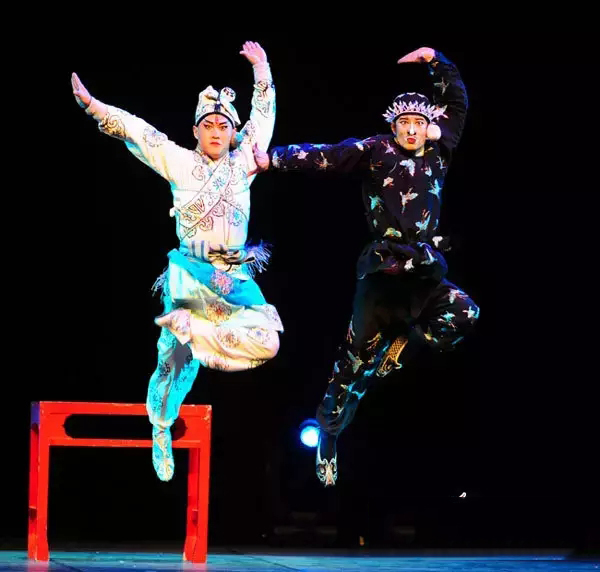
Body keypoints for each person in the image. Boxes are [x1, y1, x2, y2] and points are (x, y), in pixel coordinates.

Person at [253, 47, 479, 486]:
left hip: (422, 273)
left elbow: (457, 104)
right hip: (383, 275)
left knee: (466, 312)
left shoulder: (440, 152)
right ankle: (329, 437)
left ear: (429, 127)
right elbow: (328, 156)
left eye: (418, 123)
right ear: (393, 126)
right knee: (352, 370)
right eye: (404, 123)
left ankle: (406, 343)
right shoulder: (377, 150)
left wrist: (436, 59)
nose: (410, 130)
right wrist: (274, 158)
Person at [71, 41, 283, 481]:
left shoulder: (244, 162)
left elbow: (263, 119)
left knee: (269, 341)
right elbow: (140, 132)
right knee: (173, 365)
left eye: (223, 126)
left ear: (233, 133)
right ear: (195, 132)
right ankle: (162, 427)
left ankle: (193, 330)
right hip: (189, 276)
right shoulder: (181, 163)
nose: (216, 132)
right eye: (208, 125)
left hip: (232, 278)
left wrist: (261, 68)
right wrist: (93, 106)